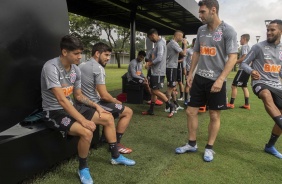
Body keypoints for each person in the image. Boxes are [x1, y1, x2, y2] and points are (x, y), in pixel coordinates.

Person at [41, 35, 135, 184]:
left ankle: (115, 156)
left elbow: (78, 95)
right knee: (87, 131)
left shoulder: (75, 70)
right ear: (65, 52)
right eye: (76, 53)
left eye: (81, 53)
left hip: (71, 106)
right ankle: (83, 169)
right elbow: (61, 100)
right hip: (54, 112)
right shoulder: (51, 67)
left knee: (107, 117)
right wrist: (83, 120)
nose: (80, 56)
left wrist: (97, 106)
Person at [175, 0, 238, 162]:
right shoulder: (200, 30)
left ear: (213, 10)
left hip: (216, 80)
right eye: (200, 12)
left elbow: (232, 57)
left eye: (202, 12)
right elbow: (196, 53)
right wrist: (190, 73)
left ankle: (209, 148)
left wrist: (221, 79)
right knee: (190, 111)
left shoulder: (228, 31)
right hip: (199, 78)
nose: (200, 15)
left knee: (214, 115)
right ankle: (191, 143)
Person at [79, 42, 134, 154]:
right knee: (128, 112)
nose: (108, 58)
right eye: (106, 55)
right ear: (97, 53)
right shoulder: (98, 68)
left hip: (82, 103)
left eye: (109, 55)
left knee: (114, 109)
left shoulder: (82, 65)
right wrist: (115, 100)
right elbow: (104, 95)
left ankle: (105, 138)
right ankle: (116, 144)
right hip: (94, 103)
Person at [241, 19, 282, 159]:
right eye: (268, 30)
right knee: (265, 95)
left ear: (280, 31)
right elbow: (244, 64)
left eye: (272, 30)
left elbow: (280, 71)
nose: (269, 32)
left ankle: (270, 146)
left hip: (277, 85)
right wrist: (251, 71)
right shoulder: (258, 47)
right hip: (260, 82)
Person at [142, 28, 175, 118]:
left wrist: (149, 63)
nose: (150, 40)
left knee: (155, 91)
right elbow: (153, 55)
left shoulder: (160, 44)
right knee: (153, 92)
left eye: (150, 38)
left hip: (158, 72)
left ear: (153, 35)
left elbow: (159, 58)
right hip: (154, 71)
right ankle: (151, 110)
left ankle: (171, 105)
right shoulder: (157, 44)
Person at [165, 30, 187, 112]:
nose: (182, 38)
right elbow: (184, 54)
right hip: (170, 68)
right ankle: (167, 107)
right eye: (181, 36)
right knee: (170, 88)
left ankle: (175, 104)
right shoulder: (173, 43)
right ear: (177, 36)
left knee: (173, 87)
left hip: (173, 67)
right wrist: (185, 44)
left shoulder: (174, 43)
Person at [227, 34, 251, 109]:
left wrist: (234, 62)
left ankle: (231, 104)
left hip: (243, 69)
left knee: (234, 85)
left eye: (241, 39)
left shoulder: (244, 47)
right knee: (244, 86)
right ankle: (247, 104)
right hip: (248, 69)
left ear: (244, 39)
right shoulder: (249, 47)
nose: (240, 41)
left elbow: (244, 57)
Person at [184, 38, 196, 106]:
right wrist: (184, 68)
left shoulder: (199, 51)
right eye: (195, 42)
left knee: (195, 86)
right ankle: (186, 100)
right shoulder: (188, 50)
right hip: (189, 70)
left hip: (196, 71)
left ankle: (192, 98)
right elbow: (184, 60)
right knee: (188, 84)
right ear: (193, 42)